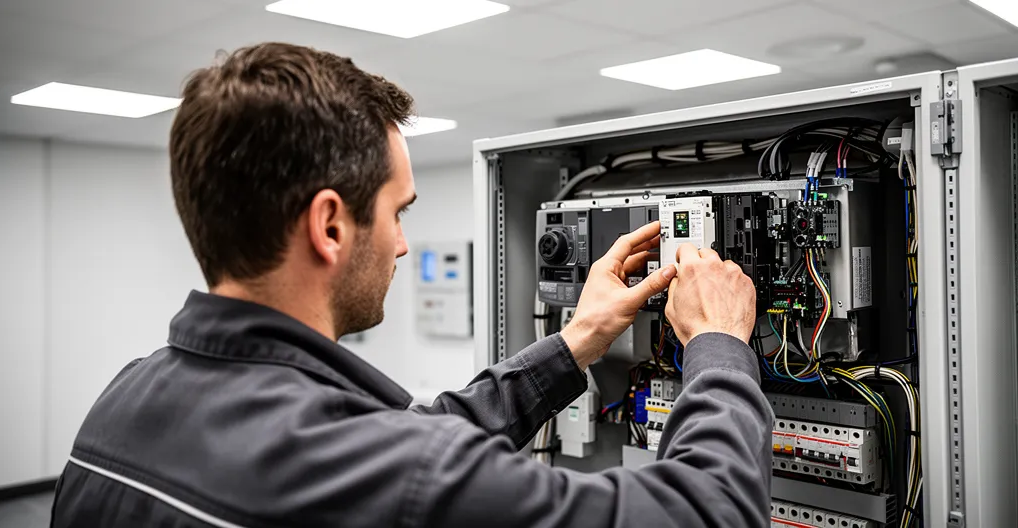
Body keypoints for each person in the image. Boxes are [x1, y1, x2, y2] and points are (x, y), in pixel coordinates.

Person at [50, 42, 773, 527]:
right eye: (398, 213)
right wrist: (716, 344)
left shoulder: (121, 406)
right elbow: (712, 512)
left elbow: (404, 445)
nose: (402, 245)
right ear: (330, 226)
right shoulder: (389, 476)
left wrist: (576, 343)